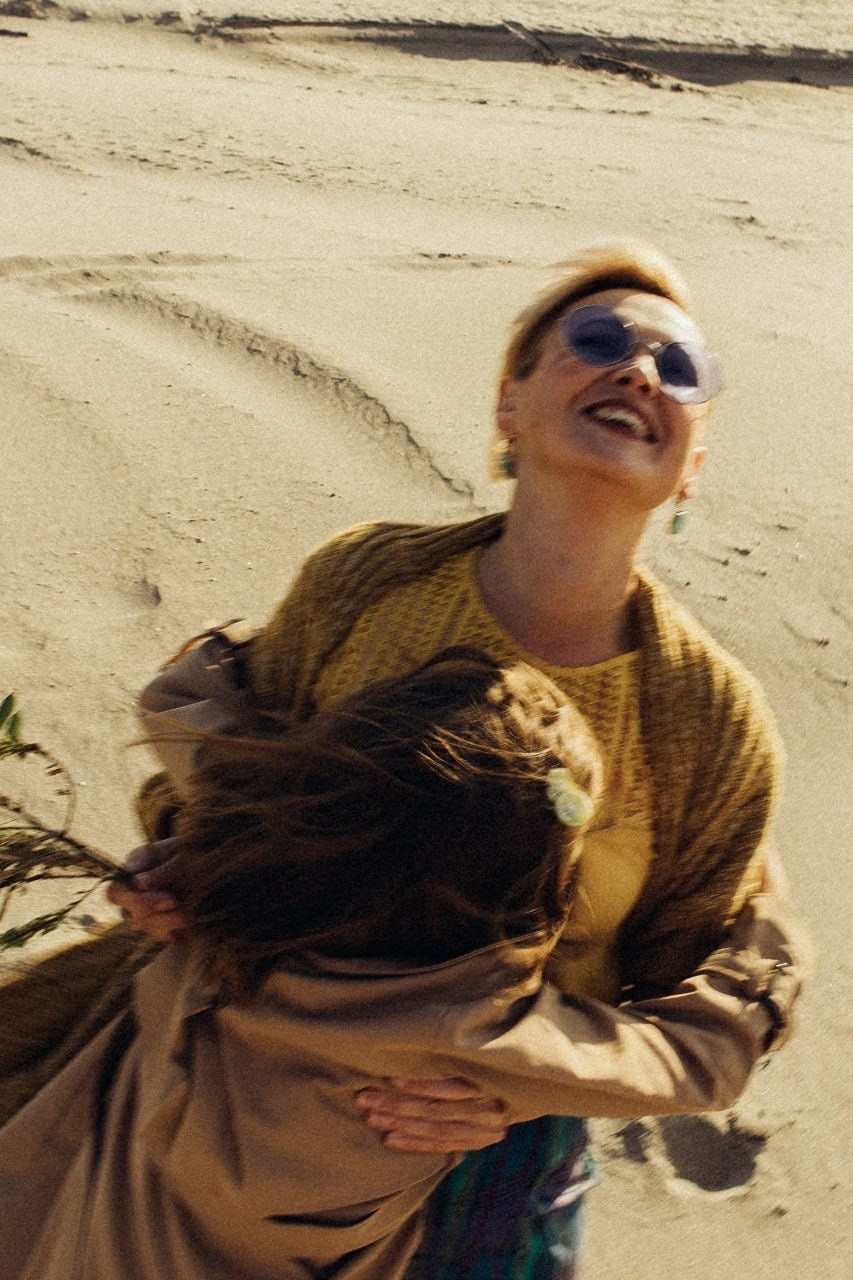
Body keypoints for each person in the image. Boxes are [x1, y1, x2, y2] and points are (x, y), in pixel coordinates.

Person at [0, 243, 808, 1277]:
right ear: (509, 401)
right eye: (599, 338)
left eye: (679, 367)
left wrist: (520, 1079)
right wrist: (191, 861)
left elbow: (683, 977)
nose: (639, 371)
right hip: (234, 1085)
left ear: (692, 465)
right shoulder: (368, 581)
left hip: (486, 1153)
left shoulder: (710, 720)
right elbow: (233, 763)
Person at [0, 651, 800, 1280]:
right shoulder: (471, 1034)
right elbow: (701, 1060)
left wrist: (257, 660)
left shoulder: (224, 905)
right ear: (538, 898)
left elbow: (178, 695)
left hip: (79, 1235)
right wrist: (771, 923)